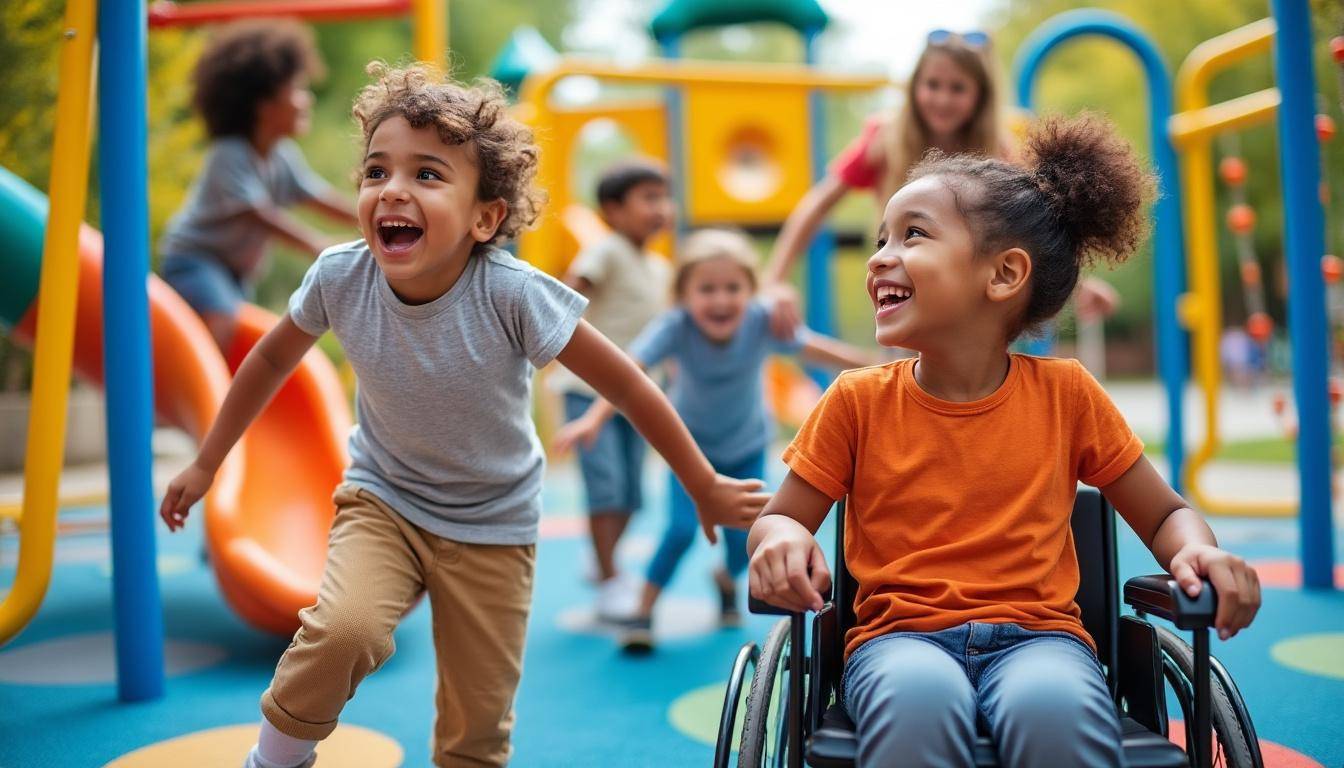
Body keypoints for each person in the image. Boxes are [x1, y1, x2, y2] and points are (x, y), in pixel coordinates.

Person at [158, 64, 768, 768]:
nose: (393, 189)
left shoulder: (513, 295)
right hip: (385, 500)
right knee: (342, 631)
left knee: (477, 727)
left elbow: (629, 384)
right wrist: (207, 460)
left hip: (493, 526)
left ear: (485, 218)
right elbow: (266, 361)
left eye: (427, 175)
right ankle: (274, 760)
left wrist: (701, 484)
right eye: (377, 170)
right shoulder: (340, 276)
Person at [747, 115, 1261, 766]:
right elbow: (781, 520)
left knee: (1058, 713)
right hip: (899, 641)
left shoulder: (1068, 395)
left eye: (912, 235)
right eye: (882, 237)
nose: (880, 256)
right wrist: (784, 540)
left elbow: (1165, 514)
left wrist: (1197, 553)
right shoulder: (856, 400)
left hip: (1041, 640)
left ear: (1003, 275)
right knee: (916, 705)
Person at [556, 228, 876, 653]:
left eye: (733, 288)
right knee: (680, 530)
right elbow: (630, 370)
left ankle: (726, 579)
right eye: (706, 289)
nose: (721, 300)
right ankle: (643, 611)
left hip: (745, 447)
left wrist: (874, 364)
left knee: (749, 536)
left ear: (751, 291)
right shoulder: (676, 326)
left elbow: (812, 349)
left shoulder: (761, 321)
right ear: (684, 294)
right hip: (692, 452)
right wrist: (594, 419)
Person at [762, 29, 1116, 343]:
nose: (942, 99)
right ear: (915, 86)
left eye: (957, 88)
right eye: (933, 85)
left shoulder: (997, 151)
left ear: (979, 96)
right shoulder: (886, 139)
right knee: (904, 380)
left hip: (970, 294)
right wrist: (774, 280)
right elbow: (817, 204)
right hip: (907, 285)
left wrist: (1079, 284)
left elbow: (1035, 234)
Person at [158, 20, 358, 351]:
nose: (307, 100)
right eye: (297, 89)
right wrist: (315, 243)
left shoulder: (281, 155)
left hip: (236, 274)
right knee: (222, 320)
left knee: (238, 334)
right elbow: (256, 214)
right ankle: (202, 397)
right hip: (196, 260)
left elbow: (319, 198)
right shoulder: (230, 154)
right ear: (263, 105)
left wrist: (371, 219)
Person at [551, 159, 675, 621]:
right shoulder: (608, 251)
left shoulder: (660, 267)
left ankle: (604, 557)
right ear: (613, 210)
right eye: (648, 199)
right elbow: (567, 295)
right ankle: (608, 578)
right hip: (588, 390)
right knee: (606, 488)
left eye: (664, 198)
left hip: (636, 395)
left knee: (631, 495)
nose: (660, 208)